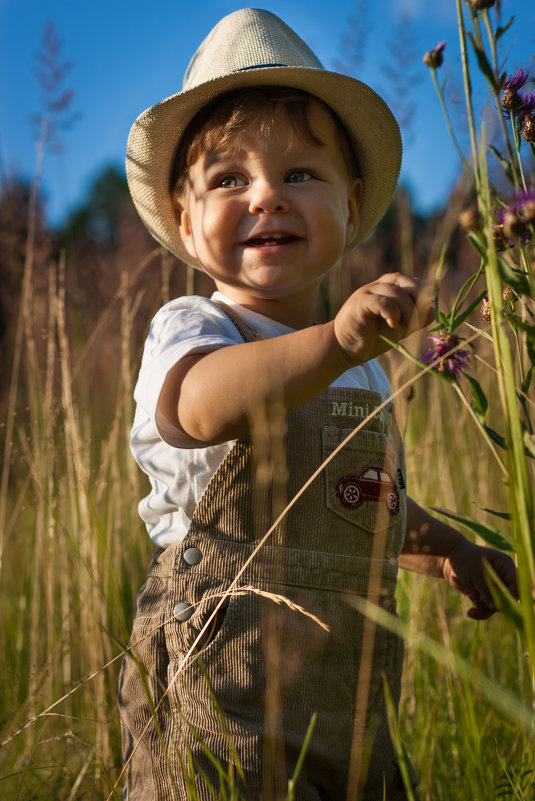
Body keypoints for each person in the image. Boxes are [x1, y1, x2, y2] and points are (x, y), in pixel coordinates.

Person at [118, 9, 518, 801]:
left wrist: (448, 552)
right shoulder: (196, 327)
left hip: (351, 703)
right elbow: (201, 407)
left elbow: (366, 507)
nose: (266, 196)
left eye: (300, 173)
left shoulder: (365, 367)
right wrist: (335, 341)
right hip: (218, 696)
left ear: (351, 198)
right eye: (228, 180)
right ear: (184, 221)